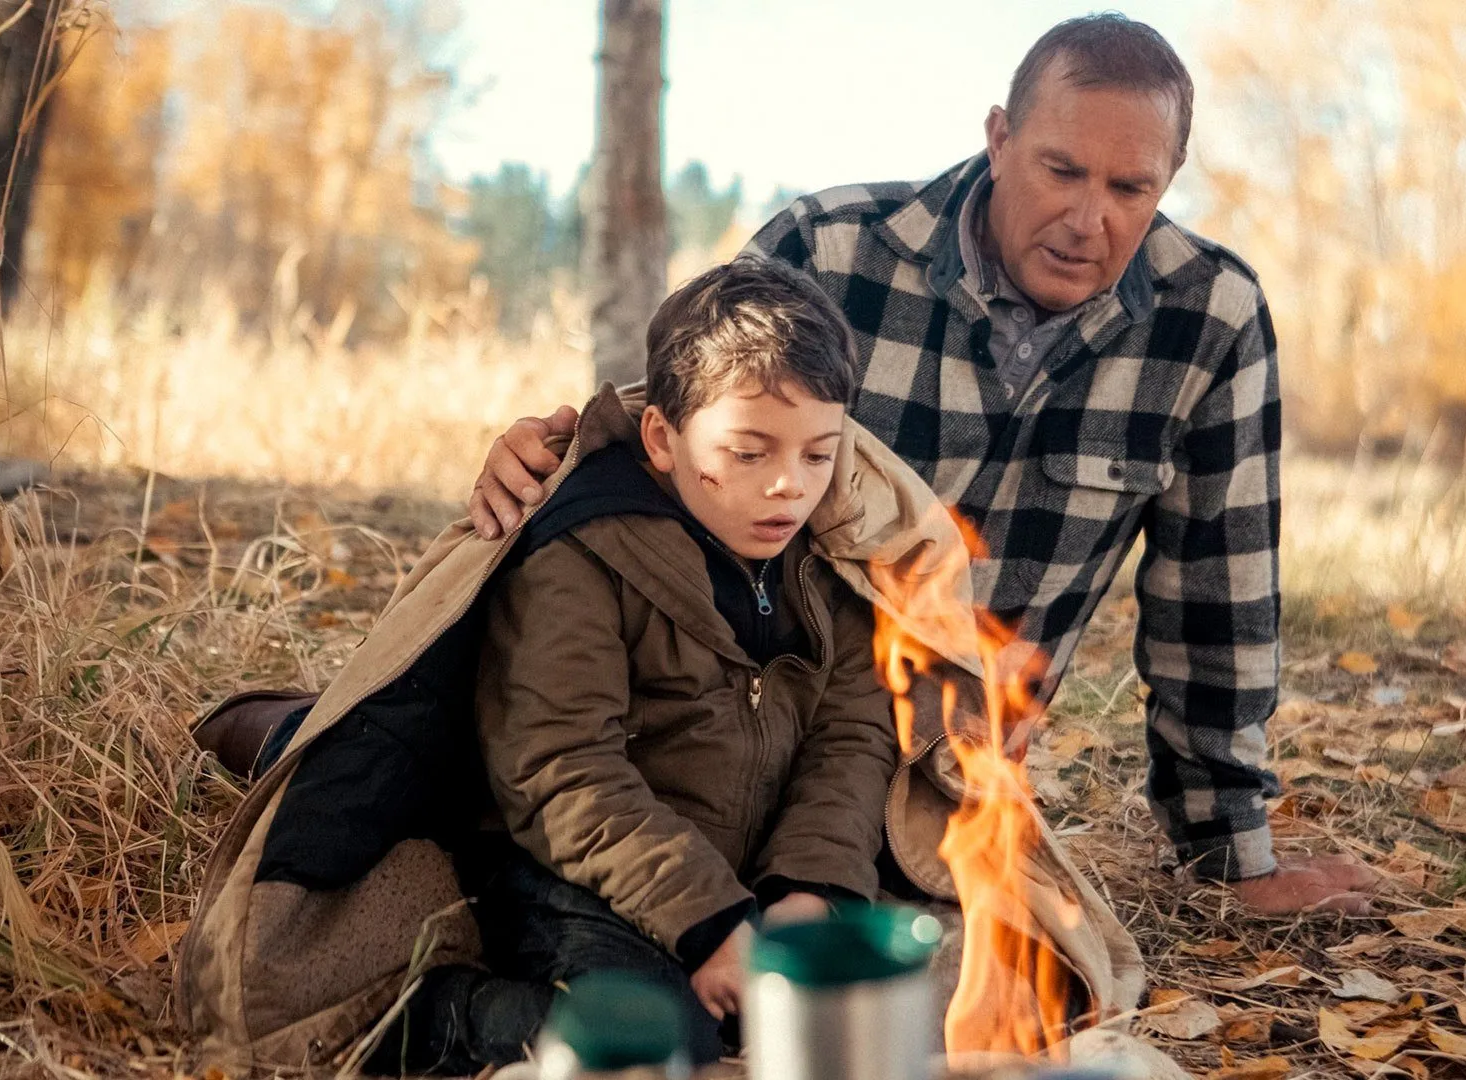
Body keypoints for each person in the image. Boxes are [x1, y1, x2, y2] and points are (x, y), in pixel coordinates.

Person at [468, 15, 1380, 915]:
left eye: (1129, 187)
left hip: (954, 793)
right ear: (998, 136)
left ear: (1169, 180)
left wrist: (1231, 856)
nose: (1087, 218)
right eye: (1060, 169)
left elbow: (1216, 607)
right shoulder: (828, 250)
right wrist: (556, 456)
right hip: (746, 748)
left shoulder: (1211, 320)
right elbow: (679, 437)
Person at [178, 257, 1145, 1075]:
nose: (786, 486)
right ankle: (434, 1015)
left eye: (817, 454)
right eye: (749, 450)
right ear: (663, 439)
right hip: (577, 876)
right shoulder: (585, 554)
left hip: (749, 867)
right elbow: (559, 768)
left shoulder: (841, 556)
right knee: (662, 1043)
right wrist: (711, 924)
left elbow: (855, 739)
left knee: (965, 984)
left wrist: (806, 893)